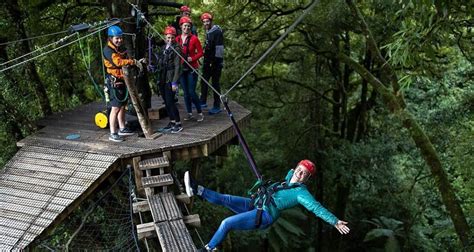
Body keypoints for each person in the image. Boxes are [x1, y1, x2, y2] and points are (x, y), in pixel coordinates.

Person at [184, 159, 350, 251]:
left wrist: (334, 221)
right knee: (226, 198)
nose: (300, 174)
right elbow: (289, 176)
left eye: (304, 174)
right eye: (299, 170)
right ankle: (196, 189)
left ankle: (207, 249)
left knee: (226, 223)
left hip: (264, 215)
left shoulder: (301, 193)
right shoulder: (290, 176)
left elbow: (316, 207)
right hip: (258, 203)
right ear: (296, 168)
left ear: (307, 179)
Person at [103, 25, 145, 142]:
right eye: (117, 38)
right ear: (111, 38)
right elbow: (118, 62)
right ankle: (113, 132)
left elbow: (124, 57)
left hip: (122, 80)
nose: (119, 40)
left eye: (120, 38)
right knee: (115, 107)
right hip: (114, 81)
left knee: (122, 106)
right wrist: (132, 62)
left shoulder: (119, 48)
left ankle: (122, 128)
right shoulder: (108, 50)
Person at [176, 16, 204, 122]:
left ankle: (200, 112)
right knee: (186, 93)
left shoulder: (194, 39)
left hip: (192, 68)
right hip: (182, 69)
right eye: (185, 26)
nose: (187, 28)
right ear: (181, 27)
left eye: (188, 26)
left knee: (192, 92)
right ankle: (189, 113)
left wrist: (192, 58)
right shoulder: (177, 39)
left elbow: (201, 52)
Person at [156, 26, 182, 133]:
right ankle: (171, 121)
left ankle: (178, 123)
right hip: (163, 77)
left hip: (170, 79)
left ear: (175, 38)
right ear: (165, 37)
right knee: (166, 102)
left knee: (171, 101)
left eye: (172, 38)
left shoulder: (176, 49)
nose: (170, 40)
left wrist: (175, 82)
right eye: (168, 38)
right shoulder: (163, 48)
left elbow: (178, 67)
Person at [199, 12, 224, 115]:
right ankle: (203, 101)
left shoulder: (217, 32)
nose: (206, 23)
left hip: (215, 63)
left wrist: (216, 63)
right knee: (204, 80)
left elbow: (219, 49)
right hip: (208, 62)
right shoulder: (208, 31)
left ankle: (217, 105)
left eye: (207, 21)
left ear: (211, 21)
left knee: (215, 83)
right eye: (204, 22)